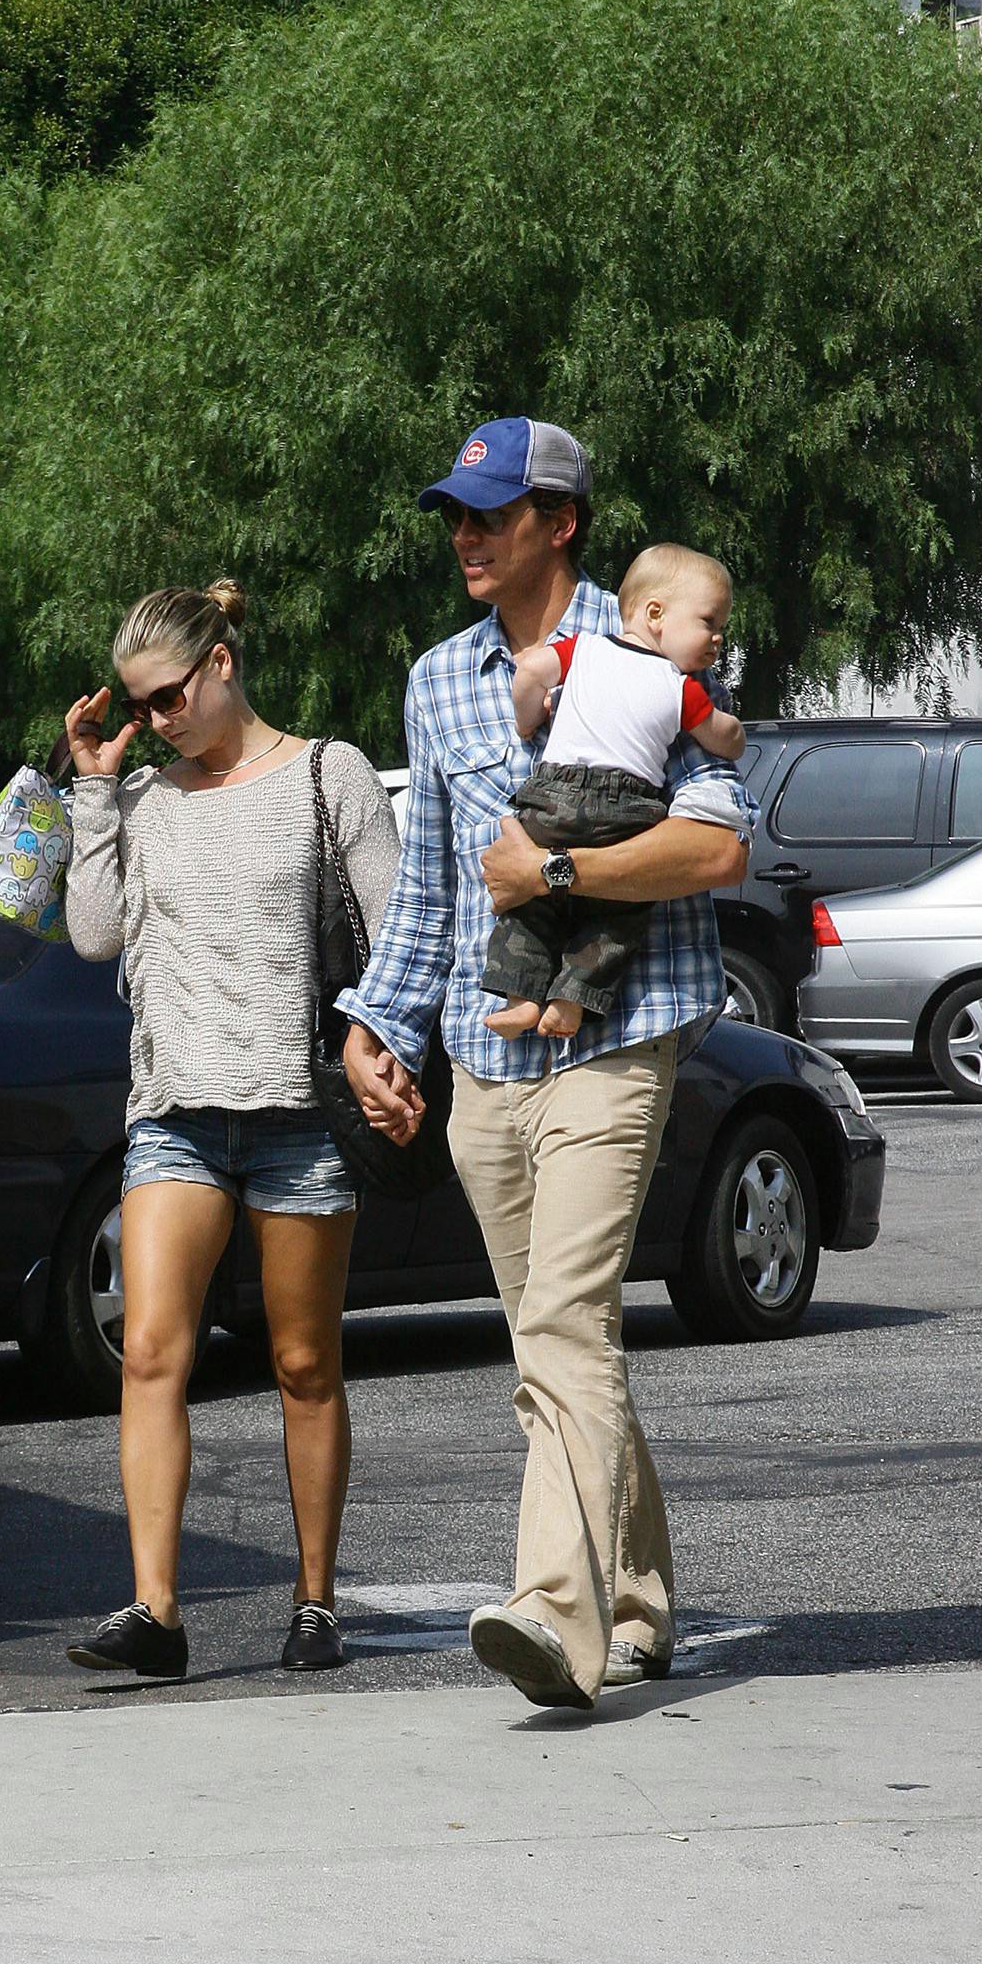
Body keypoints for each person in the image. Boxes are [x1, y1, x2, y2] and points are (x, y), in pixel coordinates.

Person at [338, 420, 758, 1715]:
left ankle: (552, 1614)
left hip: (617, 1038)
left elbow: (713, 848)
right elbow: (429, 888)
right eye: (454, 515)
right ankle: (637, 1601)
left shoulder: (643, 638)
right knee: (552, 1343)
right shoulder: (436, 679)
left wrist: (561, 871)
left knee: (565, 1327)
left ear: (557, 522)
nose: (465, 536)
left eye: (490, 514)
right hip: (481, 1053)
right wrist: (376, 1024)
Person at [62, 579, 401, 1683]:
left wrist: (386, 1050)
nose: (154, 718)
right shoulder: (147, 798)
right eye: (135, 702)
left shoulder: (325, 774)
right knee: (152, 1352)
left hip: (298, 1113)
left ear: (219, 663)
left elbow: (396, 940)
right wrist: (92, 791)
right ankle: (155, 1610)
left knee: (304, 1363)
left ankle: (314, 1599)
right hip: (173, 1115)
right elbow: (92, 935)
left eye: (166, 696)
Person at [483, 544, 747, 1043]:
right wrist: (735, 730)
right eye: (709, 622)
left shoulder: (582, 649)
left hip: (554, 792)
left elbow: (531, 672)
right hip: (627, 809)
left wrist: (527, 718)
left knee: (527, 906)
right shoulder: (682, 686)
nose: (717, 639)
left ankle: (519, 998)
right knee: (617, 913)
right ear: (656, 614)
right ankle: (571, 999)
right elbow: (722, 736)